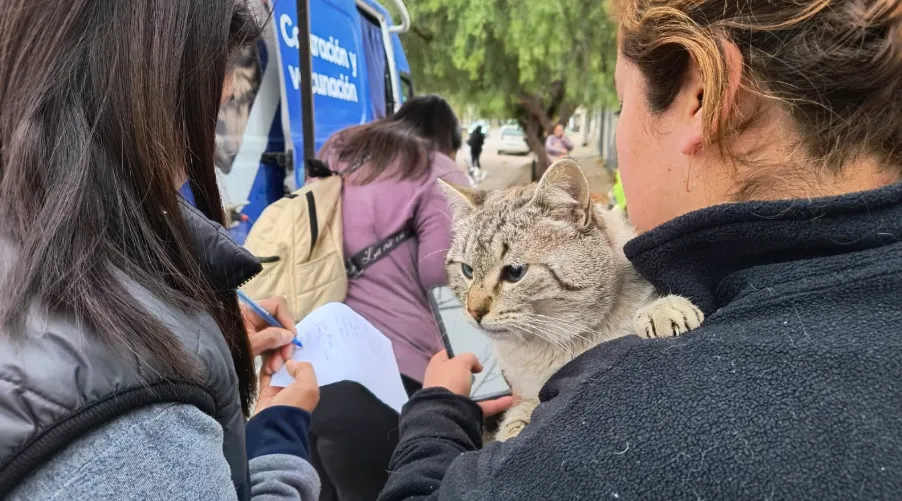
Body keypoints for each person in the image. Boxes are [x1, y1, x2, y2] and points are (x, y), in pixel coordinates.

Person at [377, 0, 902, 499]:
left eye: (620, 102)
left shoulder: (621, 408)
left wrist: (437, 411)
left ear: (704, 95)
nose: (475, 305)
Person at [0, 2, 321, 500]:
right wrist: (279, 433)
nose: (229, 92)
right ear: (149, 83)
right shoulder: (130, 427)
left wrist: (183, 331)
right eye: (222, 68)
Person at [311, 94, 470, 501]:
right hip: (391, 385)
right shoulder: (439, 172)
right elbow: (442, 274)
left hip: (308, 369)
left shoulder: (342, 151)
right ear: (447, 139)